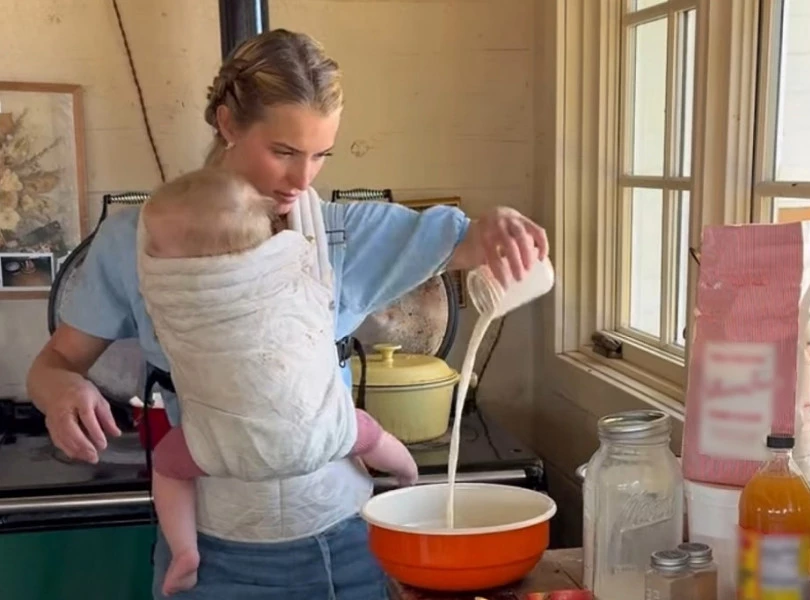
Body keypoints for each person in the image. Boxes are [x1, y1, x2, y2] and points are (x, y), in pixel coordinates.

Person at [27, 28, 547, 599]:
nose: (304, 179)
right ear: (228, 123)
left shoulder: (345, 235)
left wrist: (499, 225)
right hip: (210, 558)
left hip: (345, 544)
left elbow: (476, 242)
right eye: (284, 152)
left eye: (321, 155)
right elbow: (54, 365)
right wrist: (61, 390)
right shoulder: (140, 241)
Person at [138, 167, 418, 596]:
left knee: (168, 466)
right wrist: (401, 472)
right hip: (319, 434)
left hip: (222, 445)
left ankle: (185, 551)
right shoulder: (292, 272)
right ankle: (409, 473)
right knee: (368, 433)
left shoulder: (173, 293)